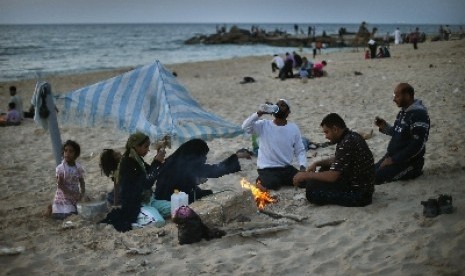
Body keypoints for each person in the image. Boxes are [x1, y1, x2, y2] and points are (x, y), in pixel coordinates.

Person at [293, 113, 375, 207]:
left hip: (360, 195)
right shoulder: (351, 136)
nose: (326, 136)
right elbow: (337, 160)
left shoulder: (347, 142)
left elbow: (333, 176)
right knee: (324, 168)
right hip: (362, 186)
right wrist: (317, 163)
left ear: (335, 129)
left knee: (312, 189)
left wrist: (306, 175)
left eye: (327, 132)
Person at [101, 132, 170, 232]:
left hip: (149, 200)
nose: (148, 149)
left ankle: (150, 213)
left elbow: (150, 171)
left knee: (177, 209)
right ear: (136, 147)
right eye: (146, 146)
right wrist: (157, 161)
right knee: (158, 221)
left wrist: (158, 159)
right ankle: (142, 218)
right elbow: (146, 183)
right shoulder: (127, 163)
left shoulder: (137, 160)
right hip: (137, 204)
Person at [242, 99, 307, 191]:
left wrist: (302, 168)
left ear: (288, 112)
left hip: (286, 169)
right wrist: (259, 113)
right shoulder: (263, 125)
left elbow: (300, 150)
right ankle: (260, 180)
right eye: (277, 105)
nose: (279, 106)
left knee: (305, 181)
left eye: (282, 105)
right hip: (267, 169)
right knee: (273, 184)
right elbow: (245, 127)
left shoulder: (293, 128)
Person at [374, 83, 430, 184]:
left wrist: (393, 160)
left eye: (397, 96)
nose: (394, 99)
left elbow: (418, 144)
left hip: (409, 163)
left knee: (375, 179)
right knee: (368, 173)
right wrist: (384, 127)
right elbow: (398, 133)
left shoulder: (419, 114)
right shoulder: (403, 112)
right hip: (392, 157)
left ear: (408, 96)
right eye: (394, 95)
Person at [154, 139, 241, 203]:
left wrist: (195, 179)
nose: (205, 158)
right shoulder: (189, 164)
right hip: (172, 199)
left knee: (201, 191)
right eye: (203, 155)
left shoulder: (174, 159)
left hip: (160, 195)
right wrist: (236, 156)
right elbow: (215, 170)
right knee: (208, 194)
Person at [51, 140, 86, 220]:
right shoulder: (61, 168)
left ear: (76, 154)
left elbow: (81, 180)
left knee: (78, 211)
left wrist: (82, 192)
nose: (67, 153)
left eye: (71, 151)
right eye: (65, 150)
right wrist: (71, 193)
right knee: (66, 214)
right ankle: (51, 208)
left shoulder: (78, 167)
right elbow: (60, 185)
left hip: (75, 194)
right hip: (64, 196)